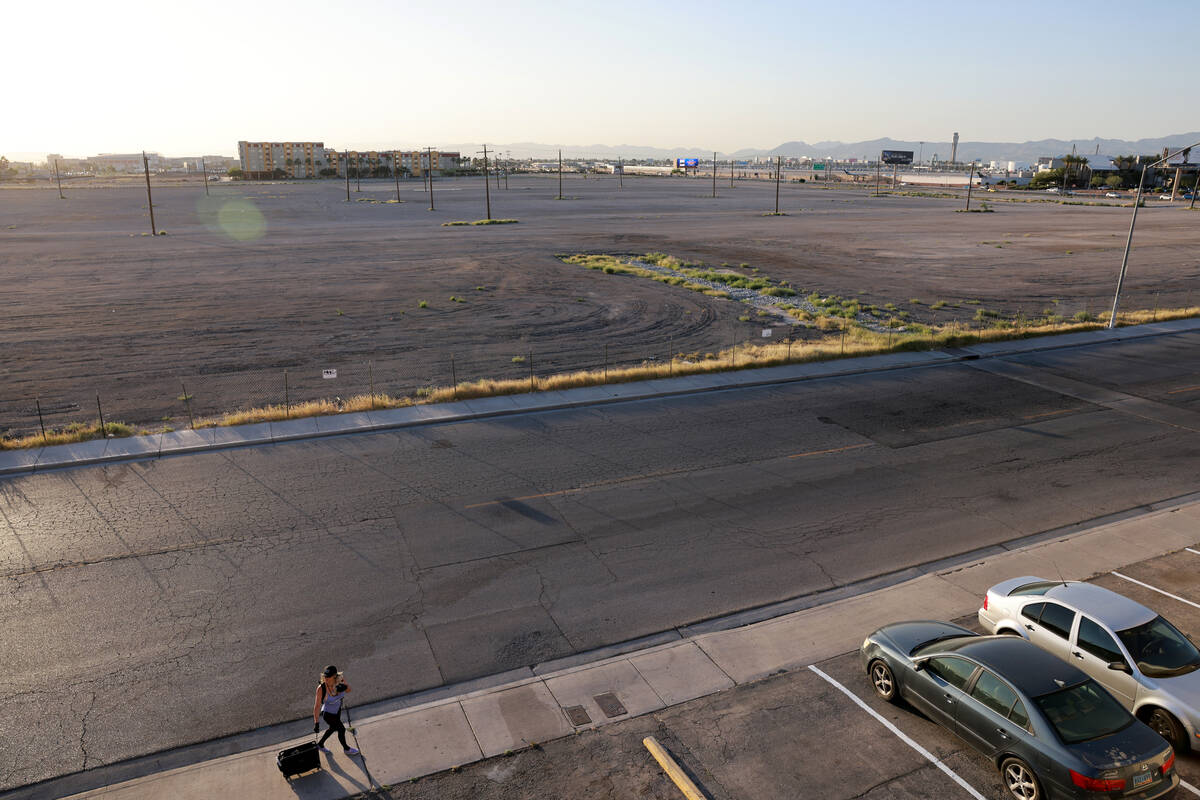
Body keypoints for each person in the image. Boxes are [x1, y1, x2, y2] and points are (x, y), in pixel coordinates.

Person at [313, 665, 359, 756]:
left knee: (333, 728)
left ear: (334, 676)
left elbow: (349, 690)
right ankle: (346, 749)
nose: (326, 678)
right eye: (325, 676)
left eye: (329, 676)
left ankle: (320, 744)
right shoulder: (321, 688)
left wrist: (345, 686)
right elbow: (317, 706)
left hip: (337, 711)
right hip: (328, 713)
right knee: (341, 729)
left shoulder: (339, 681)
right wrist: (316, 723)